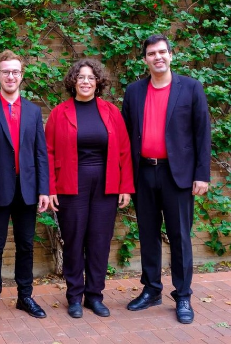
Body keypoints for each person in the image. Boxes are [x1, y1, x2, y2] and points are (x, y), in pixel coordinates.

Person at [122, 34, 211, 324]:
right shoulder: (134, 91)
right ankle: (151, 289)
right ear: (145, 59)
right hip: (144, 172)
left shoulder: (191, 88)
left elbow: (202, 134)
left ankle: (183, 295)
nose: (157, 57)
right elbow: (125, 138)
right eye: (151, 53)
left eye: (162, 52)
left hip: (179, 175)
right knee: (147, 234)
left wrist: (202, 174)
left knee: (180, 236)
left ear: (171, 55)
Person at [45, 59, 134, 318]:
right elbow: (48, 153)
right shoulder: (59, 113)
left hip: (106, 186)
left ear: (98, 83)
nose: (85, 81)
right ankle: (74, 296)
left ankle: (94, 295)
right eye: (81, 77)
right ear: (73, 82)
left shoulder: (111, 111)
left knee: (99, 242)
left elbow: (124, 151)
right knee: (73, 241)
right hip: (71, 186)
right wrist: (50, 188)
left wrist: (125, 186)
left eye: (91, 77)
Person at [0, 50, 49, 322]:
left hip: (28, 190)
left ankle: (24, 296)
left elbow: (41, 153)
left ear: (22, 75)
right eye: (6, 71)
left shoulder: (33, 110)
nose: (11, 76)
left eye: (15, 71)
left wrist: (43, 190)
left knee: (26, 245)